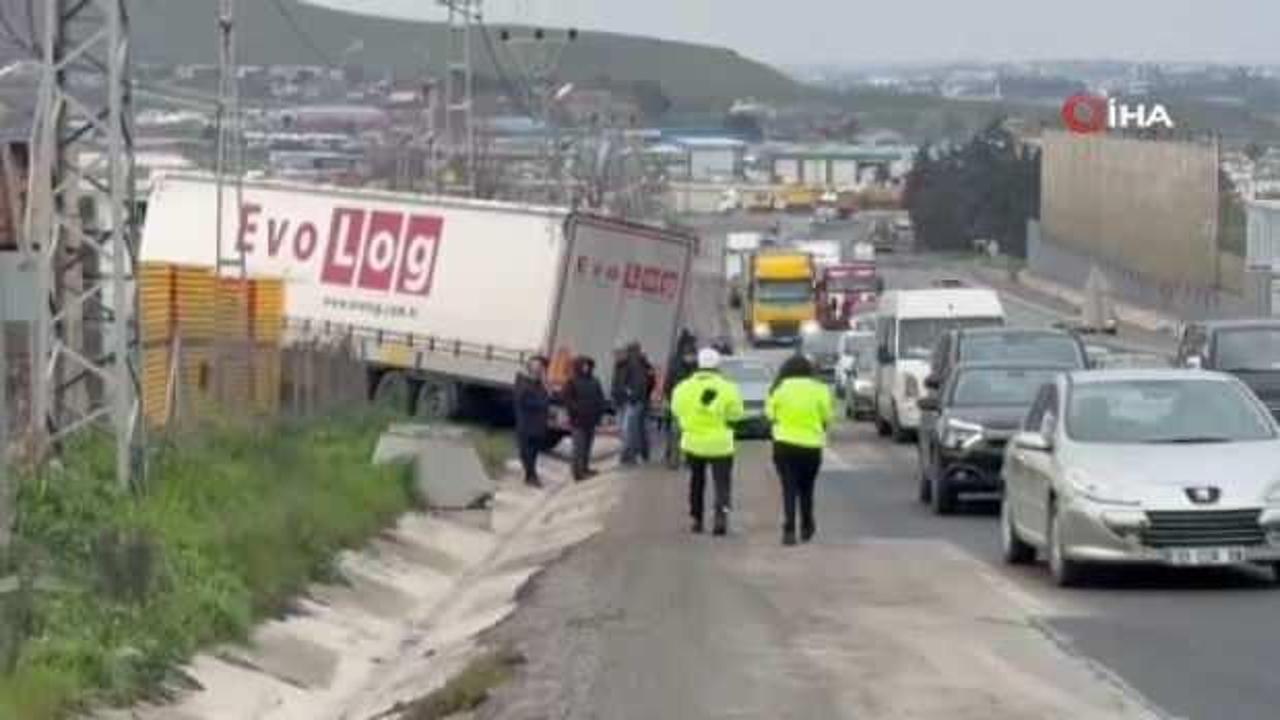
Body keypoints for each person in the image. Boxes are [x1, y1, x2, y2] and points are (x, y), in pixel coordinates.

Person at [671, 348, 744, 536]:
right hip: (721, 444)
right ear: (718, 365)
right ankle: (721, 516)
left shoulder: (683, 388)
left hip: (693, 443)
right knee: (722, 483)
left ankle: (697, 518)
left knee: (696, 480)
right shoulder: (729, 388)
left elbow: (676, 411)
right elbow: (736, 415)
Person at [766, 353, 835, 546]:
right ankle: (807, 524)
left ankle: (789, 528)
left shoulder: (779, 389)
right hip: (811, 446)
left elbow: (770, 414)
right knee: (807, 488)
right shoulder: (820, 389)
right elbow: (827, 416)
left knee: (789, 487)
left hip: (784, 444)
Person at [562, 355, 608, 481]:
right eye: (583, 365)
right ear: (578, 366)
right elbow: (567, 400)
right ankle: (577, 473)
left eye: (588, 365)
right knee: (578, 448)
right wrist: (577, 410)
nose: (586, 367)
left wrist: (600, 413)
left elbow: (600, 398)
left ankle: (585, 468)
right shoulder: (571, 381)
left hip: (591, 420)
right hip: (578, 421)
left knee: (587, 447)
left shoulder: (595, 381)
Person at [614, 342, 656, 466]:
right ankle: (641, 454)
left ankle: (628, 456)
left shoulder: (631, 364)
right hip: (638, 400)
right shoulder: (642, 364)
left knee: (628, 430)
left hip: (630, 401)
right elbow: (649, 383)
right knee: (637, 429)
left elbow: (622, 383)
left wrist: (629, 396)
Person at [512, 356, 551, 488]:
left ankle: (530, 476)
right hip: (526, 422)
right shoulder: (522, 381)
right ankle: (531, 475)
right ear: (530, 367)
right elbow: (522, 400)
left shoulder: (541, 384)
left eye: (540, 367)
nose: (538, 369)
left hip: (539, 423)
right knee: (525, 451)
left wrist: (545, 384)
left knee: (534, 451)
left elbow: (549, 397)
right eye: (535, 366)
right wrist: (542, 403)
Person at [663, 331, 699, 468]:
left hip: (687, 403)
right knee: (677, 432)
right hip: (679, 403)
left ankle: (684, 459)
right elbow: (668, 383)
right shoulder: (681, 365)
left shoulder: (683, 364)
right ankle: (675, 459)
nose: (690, 358)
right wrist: (668, 398)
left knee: (682, 432)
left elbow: (668, 383)